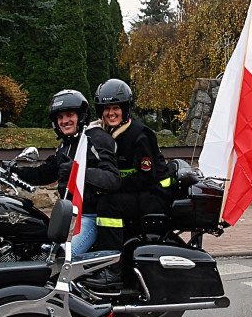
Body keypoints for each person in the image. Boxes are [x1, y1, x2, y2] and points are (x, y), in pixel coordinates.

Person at [12, 89, 119, 253]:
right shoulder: (66, 144)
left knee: (62, 259)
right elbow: (46, 173)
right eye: (60, 117)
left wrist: (78, 171)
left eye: (69, 115)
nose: (64, 121)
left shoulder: (95, 139)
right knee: (35, 248)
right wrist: (13, 170)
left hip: (91, 216)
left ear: (81, 116)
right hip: (69, 217)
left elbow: (112, 179)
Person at [89, 78, 170, 287]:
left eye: (116, 108)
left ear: (126, 109)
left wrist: (110, 186)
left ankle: (111, 270)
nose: (111, 113)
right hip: (136, 192)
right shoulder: (108, 134)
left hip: (154, 194)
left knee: (108, 204)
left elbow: (145, 177)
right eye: (106, 109)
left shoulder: (138, 134)